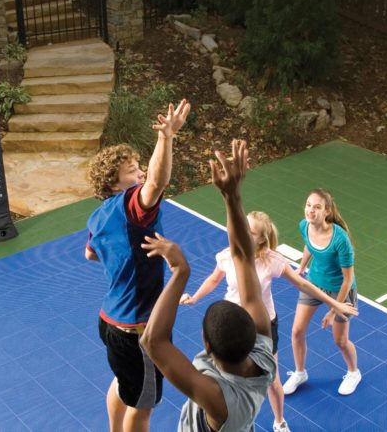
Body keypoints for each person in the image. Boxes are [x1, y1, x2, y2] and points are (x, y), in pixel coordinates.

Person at [140, 140, 358, 432]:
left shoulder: (217, 399)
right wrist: (232, 196)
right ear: (254, 334)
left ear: (206, 345)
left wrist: (180, 271)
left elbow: (152, 341)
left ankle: (283, 420)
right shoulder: (263, 356)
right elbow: (242, 257)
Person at [180, 210, 360, 432]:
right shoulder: (228, 255)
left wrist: (334, 304)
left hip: (262, 327)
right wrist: (195, 296)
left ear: (262, 238)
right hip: (231, 326)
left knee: (271, 378)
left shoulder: (272, 261)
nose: (244, 233)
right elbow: (214, 278)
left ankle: (279, 421)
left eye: (251, 231)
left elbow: (303, 285)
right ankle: (222, 416)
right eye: (243, 227)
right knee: (219, 373)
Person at [85, 99, 190, 432]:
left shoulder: (98, 215)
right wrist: (166, 137)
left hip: (109, 322)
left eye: (140, 167)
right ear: (116, 185)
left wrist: (125, 254)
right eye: (133, 171)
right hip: (137, 332)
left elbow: (90, 253)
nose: (141, 172)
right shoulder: (133, 207)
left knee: (123, 383)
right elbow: (157, 184)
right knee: (143, 406)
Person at [283, 188, 360, 397]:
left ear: (326, 211)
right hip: (314, 284)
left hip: (340, 290)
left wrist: (333, 311)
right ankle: (300, 373)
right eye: (309, 205)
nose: (311, 210)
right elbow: (309, 245)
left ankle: (354, 372)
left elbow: (347, 279)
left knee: (340, 341)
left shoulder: (340, 240)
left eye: (317, 207)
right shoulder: (304, 225)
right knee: (297, 331)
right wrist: (301, 267)